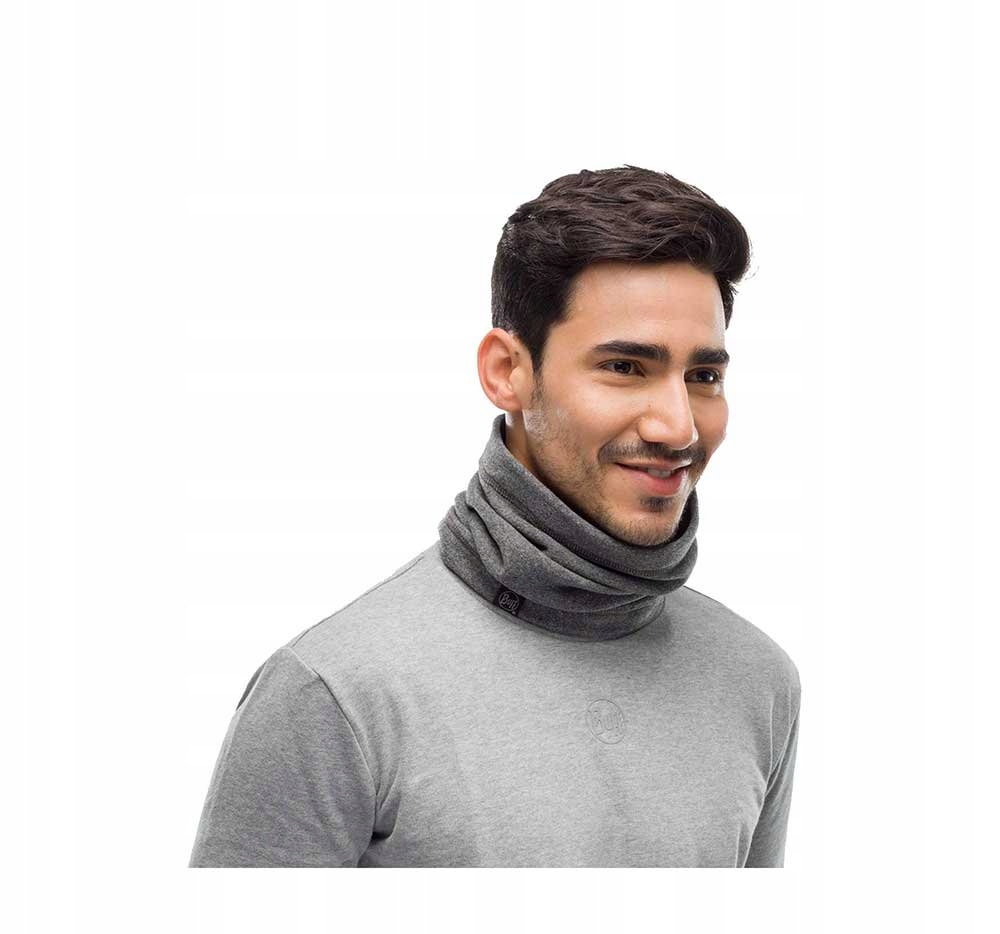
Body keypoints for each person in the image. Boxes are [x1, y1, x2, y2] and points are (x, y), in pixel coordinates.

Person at [188, 164, 802, 867]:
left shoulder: (758, 682)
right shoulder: (332, 693)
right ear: (507, 372)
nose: (678, 426)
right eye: (625, 367)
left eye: (704, 377)